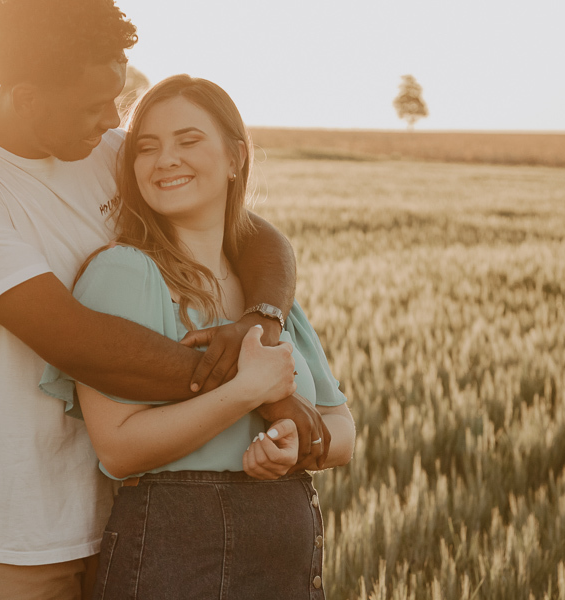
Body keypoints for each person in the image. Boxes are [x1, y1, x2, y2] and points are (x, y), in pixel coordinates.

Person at [0, 1, 329, 598]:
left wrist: (263, 321)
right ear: (26, 99)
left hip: (131, 520)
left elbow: (255, 237)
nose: (113, 122)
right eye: (95, 107)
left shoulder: (103, 151)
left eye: (117, 99)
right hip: (11, 528)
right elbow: (78, 341)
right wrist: (258, 392)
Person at [40, 75, 356, 599]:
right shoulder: (125, 273)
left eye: (188, 141)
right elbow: (118, 448)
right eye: (148, 147)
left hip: (286, 550)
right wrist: (246, 393)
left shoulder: (268, 300)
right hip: (177, 553)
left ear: (236, 157)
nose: (166, 159)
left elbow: (341, 429)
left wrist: (296, 445)